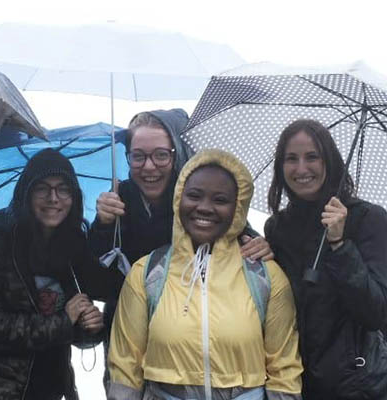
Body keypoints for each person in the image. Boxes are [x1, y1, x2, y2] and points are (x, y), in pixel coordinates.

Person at [88, 108, 274, 391]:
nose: (149, 167)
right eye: (138, 156)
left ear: (177, 153)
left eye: (161, 155)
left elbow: (233, 229)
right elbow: (97, 285)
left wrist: (257, 242)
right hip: (128, 346)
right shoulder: (115, 204)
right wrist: (102, 227)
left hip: (191, 348)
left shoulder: (198, 197)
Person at [107, 149, 303, 400]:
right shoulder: (146, 273)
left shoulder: (265, 276)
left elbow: (284, 366)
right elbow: (125, 364)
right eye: (194, 196)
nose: (205, 207)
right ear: (179, 199)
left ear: (238, 208)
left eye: (220, 200)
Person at [265, 119, 387, 400]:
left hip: (357, 386)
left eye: (312, 157)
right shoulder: (277, 228)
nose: (301, 169)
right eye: (291, 159)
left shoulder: (368, 219)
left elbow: (376, 313)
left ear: (329, 161)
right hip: (294, 384)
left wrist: (340, 245)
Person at [0, 148, 109, 400]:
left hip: (53, 388)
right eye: (42, 188)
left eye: (63, 188)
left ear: (73, 196)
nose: (53, 198)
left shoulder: (72, 245)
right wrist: (64, 321)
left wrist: (89, 328)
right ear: (26, 194)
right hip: (3, 391)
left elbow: (76, 323)